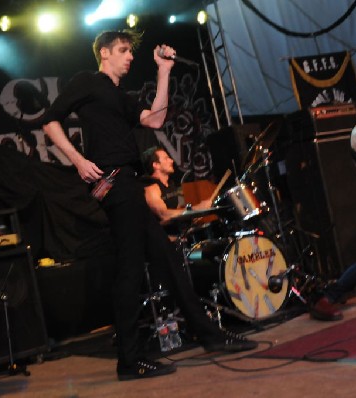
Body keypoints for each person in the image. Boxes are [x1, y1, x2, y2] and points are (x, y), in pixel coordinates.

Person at [42, 30, 257, 382]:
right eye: (124, 51)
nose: (129, 57)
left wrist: (164, 71)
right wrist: (79, 162)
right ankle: (130, 361)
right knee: (130, 270)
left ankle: (211, 337)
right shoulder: (88, 82)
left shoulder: (117, 95)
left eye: (131, 52)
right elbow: (51, 122)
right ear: (105, 53)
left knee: (167, 260)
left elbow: (155, 119)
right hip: (114, 183)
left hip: (128, 182)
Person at [142, 145, 212, 224]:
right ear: (156, 165)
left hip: (177, 233)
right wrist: (196, 209)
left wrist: (192, 215)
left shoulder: (170, 184)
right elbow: (163, 214)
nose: (171, 161)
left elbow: (175, 210)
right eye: (166, 158)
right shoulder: (151, 187)